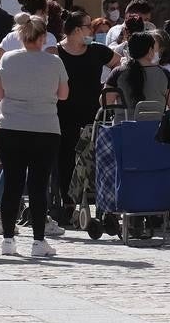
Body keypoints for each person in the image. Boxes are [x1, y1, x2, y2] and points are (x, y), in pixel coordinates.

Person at [0, 13, 70, 257]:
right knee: (38, 185)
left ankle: (7, 239)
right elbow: (64, 94)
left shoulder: (8, 58)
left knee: (13, 183)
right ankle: (38, 240)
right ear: (43, 37)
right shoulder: (54, 62)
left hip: (11, 126)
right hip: (44, 127)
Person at [55, 12, 121, 208]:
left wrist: (108, 84)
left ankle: (95, 198)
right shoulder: (57, 52)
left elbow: (119, 63)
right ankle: (67, 201)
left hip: (93, 112)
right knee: (65, 157)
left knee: (95, 156)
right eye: (87, 26)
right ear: (76, 30)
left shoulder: (97, 50)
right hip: (63, 112)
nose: (91, 30)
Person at [103, 32, 170, 117]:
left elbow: (105, 102)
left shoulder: (118, 73)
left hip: (124, 127)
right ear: (150, 51)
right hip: (156, 127)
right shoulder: (165, 74)